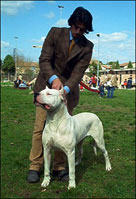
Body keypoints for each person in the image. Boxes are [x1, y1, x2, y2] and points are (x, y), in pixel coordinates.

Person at [27, 7, 94, 183]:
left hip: (67, 94)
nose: (78, 32)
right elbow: (44, 59)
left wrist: (65, 89)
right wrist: (54, 79)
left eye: (82, 29)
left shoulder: (87, 47)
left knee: (65, 132)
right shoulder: (55, 33)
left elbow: (78, 73)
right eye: (75, 27)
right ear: (71, 23)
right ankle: (35, 166)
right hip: (46, 88)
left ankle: (60, 167)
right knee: (40, 127)